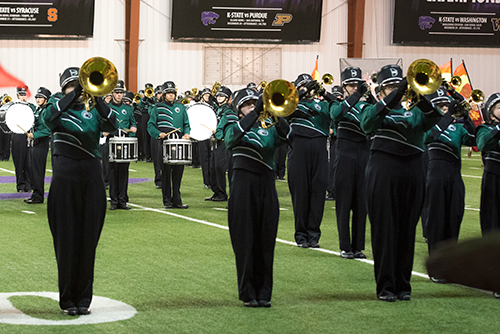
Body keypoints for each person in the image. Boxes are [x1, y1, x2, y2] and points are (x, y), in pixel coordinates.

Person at [360, 64, 442, 302]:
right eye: (390, 87)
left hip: (413, 168)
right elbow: (368, 124)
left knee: (407, 228)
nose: (397, 89)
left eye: (400, 85)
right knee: (384, 229)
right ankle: (385, 286)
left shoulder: (415, 111)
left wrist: (418, 95)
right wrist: (397, 93)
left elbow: (433, 118)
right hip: (383, 168)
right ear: (381, 91)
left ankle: (403, 285)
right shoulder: (370, 108)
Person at [41, 66, 117, 315]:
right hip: (65, 177)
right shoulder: (56, 106)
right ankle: (67, 299)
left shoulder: (93, 108)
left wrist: (96, 98)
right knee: (66, 240)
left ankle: (83, 298)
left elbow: (113, 125)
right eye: (73, 85)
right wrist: (72, 96)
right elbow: (48, 120)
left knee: (88, 239)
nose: (78, 89)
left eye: (80, 85)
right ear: (64, 87)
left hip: (92, 176)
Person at [225, 88, 293, 308]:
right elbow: (230, 140)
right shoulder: (231, 123)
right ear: (239, 109)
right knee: (245, 240)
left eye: (254, 104)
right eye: (247, 105)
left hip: (266, 183)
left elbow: (289, 137)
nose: (253, 107)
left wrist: (276, 115)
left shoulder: (269, 126)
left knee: (266, 239)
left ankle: (264, 292)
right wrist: (254, 112)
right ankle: (248, 292)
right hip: (243, 183)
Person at [422, 87, 476, 268]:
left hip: (455, 176)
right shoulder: (428, 125)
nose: (445, 109)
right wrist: (447, 116)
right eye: (440, 106)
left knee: (454, 216)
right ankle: (436, 264)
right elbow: (429, 137)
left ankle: (451, 263)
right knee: (436, 219)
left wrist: (466, 114)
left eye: (446, 106)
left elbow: (473, 139)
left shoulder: (456, 127)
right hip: (436, 176)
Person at [287, 74, 333, 248]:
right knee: (300, 193)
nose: (310, 90)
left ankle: (314, 235)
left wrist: (325, 92)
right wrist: (300, 91)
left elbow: (338, 107)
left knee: (317, 192)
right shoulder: (292, 104)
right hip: (298, 150)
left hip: (319, 150)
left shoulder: (323, 104)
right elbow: (280, 112)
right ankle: (301, 235)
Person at [330, 67, 371, 259]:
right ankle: (345, 245)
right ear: (344, 86)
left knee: (361, 203)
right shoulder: (337, 104)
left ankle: (358, 246)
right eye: (351, 85)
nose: (354, 88)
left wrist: (371, 96)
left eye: (357, 85)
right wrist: (356, 96)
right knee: (344, 203)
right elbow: (337, 115)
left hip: (364, 156)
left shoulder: (367, 105)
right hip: (344, 156)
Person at [148, 81, 190, 209]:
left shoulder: (181, 108)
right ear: (164, 95)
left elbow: (186, 124)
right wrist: (158, 133)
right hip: (164, 144)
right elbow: (150, 125)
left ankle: (177, 200)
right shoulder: (157, 108)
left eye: (173, 93)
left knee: (178, 172)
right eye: (168, 93)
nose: (171, 96)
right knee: (166, 173)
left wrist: (187, 134)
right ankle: (167, 201)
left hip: (178, 144)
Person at [107, 80, 137, 210]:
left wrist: (133, 128)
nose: (119, 95)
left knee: (124, 172)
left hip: (125, 143)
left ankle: (122, 200)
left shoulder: (128, 109)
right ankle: (114, 201)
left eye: (121, 93)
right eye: (117, 92)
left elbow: (133, 123)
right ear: (112, 93)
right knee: (112, 172)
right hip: (112, 142)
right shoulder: (107, 108)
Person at [476, 93, 500, 234]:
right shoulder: (485, 129)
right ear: (491, 114)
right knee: (491, 220)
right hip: (494, 179)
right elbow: (483, 144)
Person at [24, 87, 52, 204]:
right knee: (32, 170)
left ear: (46, 99)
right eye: (37, 97)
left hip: (41, 143)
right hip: (35, 144)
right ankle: (35, 194)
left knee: (38, 171)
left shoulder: (46, 111)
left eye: (40, 97)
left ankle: (38, 196)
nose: (38, 99)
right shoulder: (39, 110)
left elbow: (48, 129)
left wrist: (34, 135)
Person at [205, 86, 232, 202]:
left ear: (227, 98)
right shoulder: (215, 109)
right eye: (218, 95)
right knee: (213, 167)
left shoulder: (229, 111)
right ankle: (216, 192)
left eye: (222, 96)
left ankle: (222, 193)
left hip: (222, 142)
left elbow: (229, 125)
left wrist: (219, 133)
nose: (219, 97)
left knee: (220, 167)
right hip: (214, 142)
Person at [12, 86, 36, 193]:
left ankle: (28, 184)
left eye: (24, 95)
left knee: (29, 162)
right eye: (21, 95)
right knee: (19, 161)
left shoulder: (31, 106)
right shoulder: (13, 107)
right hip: (18, 135)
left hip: (28, 135)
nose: (23, 97)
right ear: (17, 96)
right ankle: (20, 185)